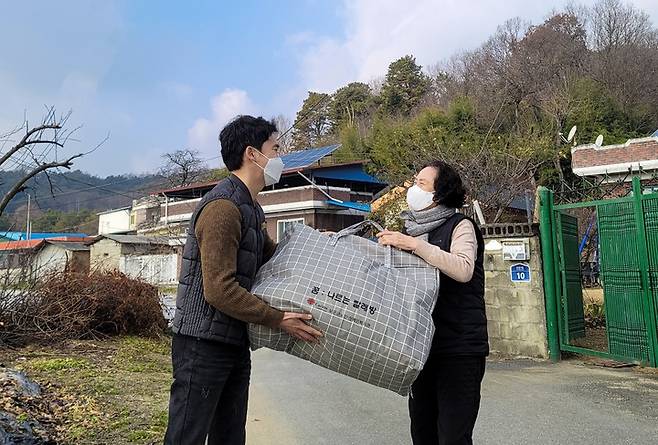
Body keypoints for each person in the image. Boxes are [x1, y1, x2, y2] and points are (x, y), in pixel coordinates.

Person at [164, 115, 322, 445]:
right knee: (186, 436)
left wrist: (325, 252)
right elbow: (219, 289)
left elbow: (274, 259)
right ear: (252, 154)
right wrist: (279, 319)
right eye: (275, 149)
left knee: (230, 435)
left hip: (233, 342)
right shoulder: (223, 207)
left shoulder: (251, 207)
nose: (279, 158)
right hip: (201, 345)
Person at [376, 161, 488, 445]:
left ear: (439, 194)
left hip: (459, 349)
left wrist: (416, 245)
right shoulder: (409, 229)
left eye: (422, 184)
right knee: (422, 432)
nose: (414, 189)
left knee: (452, 436)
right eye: (415, 182)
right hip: (421, 348)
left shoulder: (461, 226)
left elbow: (463, 269)